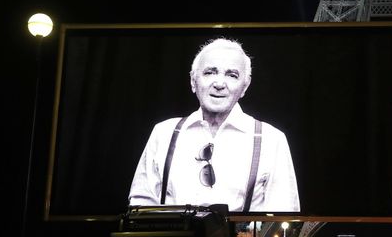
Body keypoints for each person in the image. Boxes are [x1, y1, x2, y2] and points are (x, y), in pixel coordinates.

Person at [128, 38, 300, 212]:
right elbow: (140, 207)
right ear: (193, 81)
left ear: (245, 87)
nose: (219, 84)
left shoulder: (272, 139)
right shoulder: (163, 133)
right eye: (210, 72)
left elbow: (283, 216)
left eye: (232, 75)